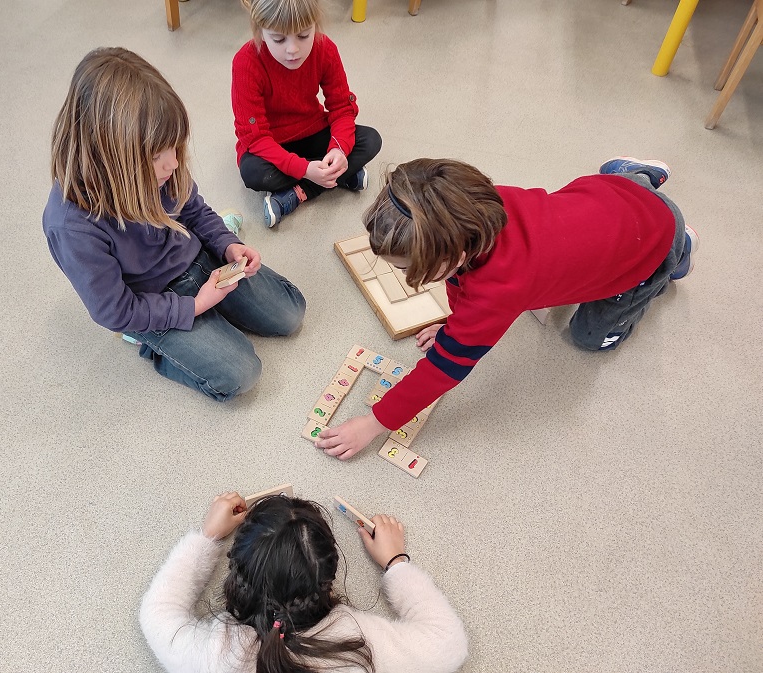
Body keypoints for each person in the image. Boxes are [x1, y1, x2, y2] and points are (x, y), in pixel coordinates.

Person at [315, 157, 699, 459]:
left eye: (407, 268)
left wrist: (374, 423)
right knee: (609, 207)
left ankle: (680, 251)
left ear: (457, 257)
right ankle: (638, 175)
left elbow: (444, 369)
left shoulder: (498, 290)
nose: (404, 274)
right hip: (615, 193)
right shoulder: (477, 206)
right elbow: (460, 282)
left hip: (654, 239)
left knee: (589, 338)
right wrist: (453, 326)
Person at [43, 48, 306, 402]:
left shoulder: (161, 166)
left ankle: (220, 259)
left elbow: (193, 209)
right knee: (241, 374)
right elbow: (116, 310)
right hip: (151, 300)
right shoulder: (71, 226)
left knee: (291, 313)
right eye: (157, 156)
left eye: (175, 148)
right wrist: (194, 307)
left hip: (197, 258)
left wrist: (226, 243)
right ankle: (151, 345)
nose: (174, 164)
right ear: (110, 157)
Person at [140, 492, 468, 673]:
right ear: (328, 579)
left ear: (237, 571)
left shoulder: (213, 655)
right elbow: (448, 644)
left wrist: (207, 536)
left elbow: (157, 613)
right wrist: (396, 563)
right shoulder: (357, 645)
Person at [232, 0, 382, 227]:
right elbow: (255, 138)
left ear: (315, 25)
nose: (293, 49)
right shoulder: (245, 62)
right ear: (260, 31)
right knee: (253, 173)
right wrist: (305, 169)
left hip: (311, 129)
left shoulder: (325, 48)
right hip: (270, 143)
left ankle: (300, 192)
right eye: (279, 39)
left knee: (370, 140)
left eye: (303, 35)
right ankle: (341, 176)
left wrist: (338, 149)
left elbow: (341, 108)